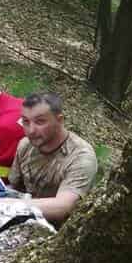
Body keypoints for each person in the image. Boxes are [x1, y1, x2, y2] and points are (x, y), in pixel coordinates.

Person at [7, 92, 98, 225]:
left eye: (40, 122)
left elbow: (63, 207)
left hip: (61, 234)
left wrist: (5, 205)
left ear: (59, 120)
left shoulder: (81, 157)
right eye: (25, 121)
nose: (31, 130)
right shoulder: (25, 145)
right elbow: (15, 188)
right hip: (23, 221)